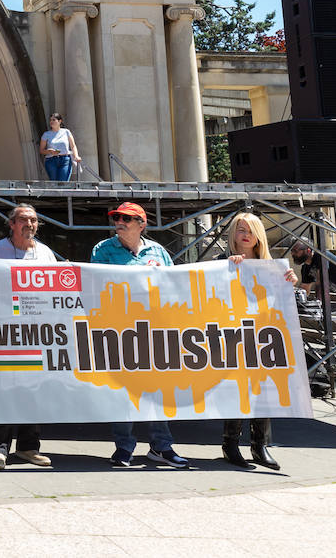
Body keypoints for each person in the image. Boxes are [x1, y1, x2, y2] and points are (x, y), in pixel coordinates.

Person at [91, 201, 189, 469]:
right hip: (118, 332)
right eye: (117, 217)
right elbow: (95, 287)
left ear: (142, 224)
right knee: (122, 392)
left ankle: (161, 447)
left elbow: (173, 286)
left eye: (127, 218)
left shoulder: (158, 251)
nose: (119, 221)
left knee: (157, 391)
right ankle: (124, 448)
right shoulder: (102, 250)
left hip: (154, 332)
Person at [0, 204, 56, 470]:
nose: (30, 224)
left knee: (33, 391)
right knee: (4, 390)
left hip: (35, 334)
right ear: (11, 224)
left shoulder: (45, 253)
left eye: (34, 220)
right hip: (5, 332)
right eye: (24, 219)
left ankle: (28, 447)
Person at [221, 213, 295, 470]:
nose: (245, 234)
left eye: (250, 230)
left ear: (258, 235)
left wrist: (290, 282)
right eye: (240, 229)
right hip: (234, 335)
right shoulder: (224, 261)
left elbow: (280, 300)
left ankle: (259, 445)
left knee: (264, 389)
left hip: (264, 335)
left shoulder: (271, 265)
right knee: (240, 390)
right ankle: (230, 443)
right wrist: (228, 267)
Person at [39, 112, 81, 182]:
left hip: (65, 160)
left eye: (54, 120)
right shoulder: (46, 134)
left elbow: (73, 146)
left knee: (63, 183)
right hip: (51, 161)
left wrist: (76, 156)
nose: (51, 122)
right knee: (54, 183)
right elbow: (41, 150)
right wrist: (50, 151)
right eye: (50, 120)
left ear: (60, 121)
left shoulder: (66, 132)